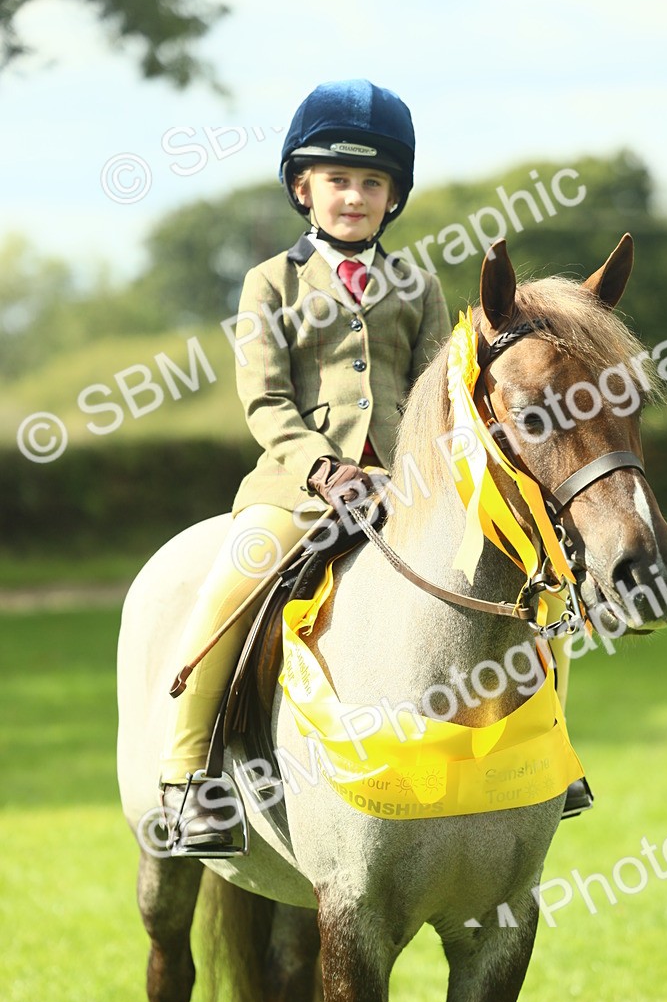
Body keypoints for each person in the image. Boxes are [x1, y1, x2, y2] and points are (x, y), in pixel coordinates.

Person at [160, 79, 451, 853]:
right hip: (298, 487)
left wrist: (407, 470)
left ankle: (549, 757)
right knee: (231, 586)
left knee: (516, 567)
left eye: (371, 182)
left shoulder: (419, 285)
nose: (353, 196)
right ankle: (189, 779)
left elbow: (432, 392)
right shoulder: (270, 282)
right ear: (304, 187)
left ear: (393, 196)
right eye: (337, 181)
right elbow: (263, 399)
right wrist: (326, 470)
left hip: (405, 487)